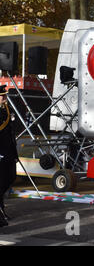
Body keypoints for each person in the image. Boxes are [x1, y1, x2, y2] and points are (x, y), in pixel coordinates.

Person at [0, 85, 18, 227]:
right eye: (2, 96)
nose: (4, 98)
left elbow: (10, 133)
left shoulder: (5, 109)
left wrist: (14, 153)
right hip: (0, 151)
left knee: (11, 177)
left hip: (9, 150)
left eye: (5, 96)